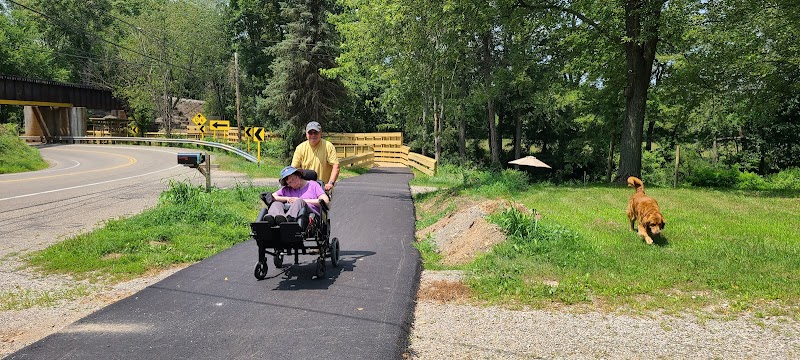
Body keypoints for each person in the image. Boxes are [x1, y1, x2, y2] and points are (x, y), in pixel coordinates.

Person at [263, 166, 329, 226]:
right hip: (289, 216)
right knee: (275, 203)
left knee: (299, 201)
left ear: (299, 175)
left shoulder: (313, 185)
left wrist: (302, 200)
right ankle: (272, 220)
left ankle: (288, 219)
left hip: (311, 216)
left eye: (294, 179)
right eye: (290, 182)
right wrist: (287, 198)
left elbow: (326, 201)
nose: (293, 183)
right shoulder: (287, 189)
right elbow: (272, 197)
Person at [291, 121, 340, 192]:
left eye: (316, 132)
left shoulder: (328, 146)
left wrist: (330, 183)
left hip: (323, 188)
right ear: (306, 134)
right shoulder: (300, 148)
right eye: (310, 133)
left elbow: (336, 166)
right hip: (305, 188)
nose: (313, 135)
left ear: (321, 133)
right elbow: (293, 168)